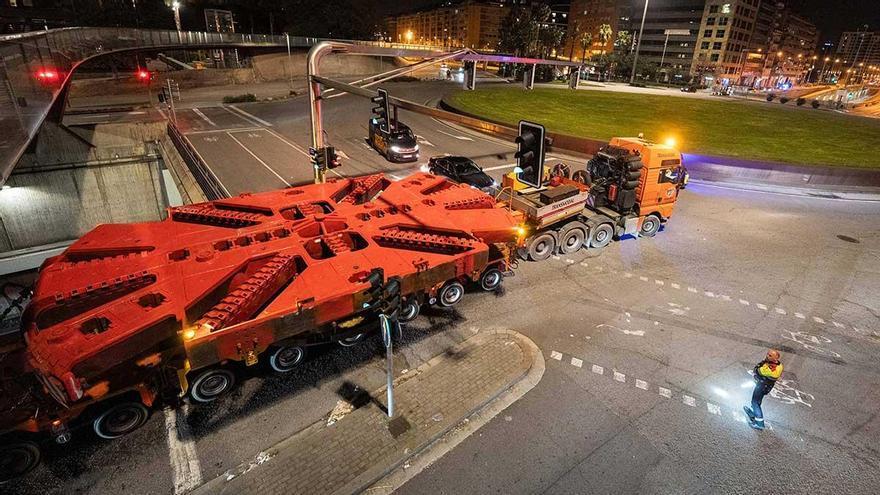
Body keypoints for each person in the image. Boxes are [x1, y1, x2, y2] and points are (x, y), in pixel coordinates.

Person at [743, 349, 783, 430]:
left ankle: (759, 423)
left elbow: (760, 371)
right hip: (763, 384)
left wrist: (758, 369)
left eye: (770, 355)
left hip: (763, 386)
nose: (767, 356)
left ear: (776, 358)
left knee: (755, 402)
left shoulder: (773, 367)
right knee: (757, 401)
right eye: (768, 354)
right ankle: (754, 414)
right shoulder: (774, 364)